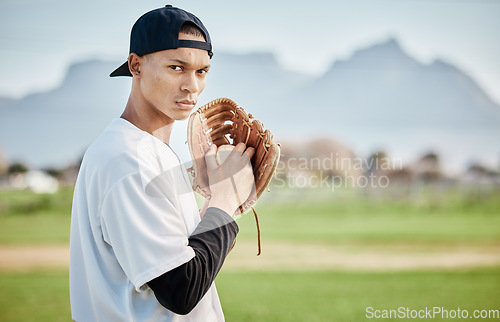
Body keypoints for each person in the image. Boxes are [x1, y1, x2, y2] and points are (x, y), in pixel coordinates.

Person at [69, 5, 255, 321]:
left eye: (202, 71)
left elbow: (190, 261)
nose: (192, 86)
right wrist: (225, 199)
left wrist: (214, 208)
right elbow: (181, 289)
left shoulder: (153, 151)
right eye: (176, 67)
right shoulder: (128, 159)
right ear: (136, 65)